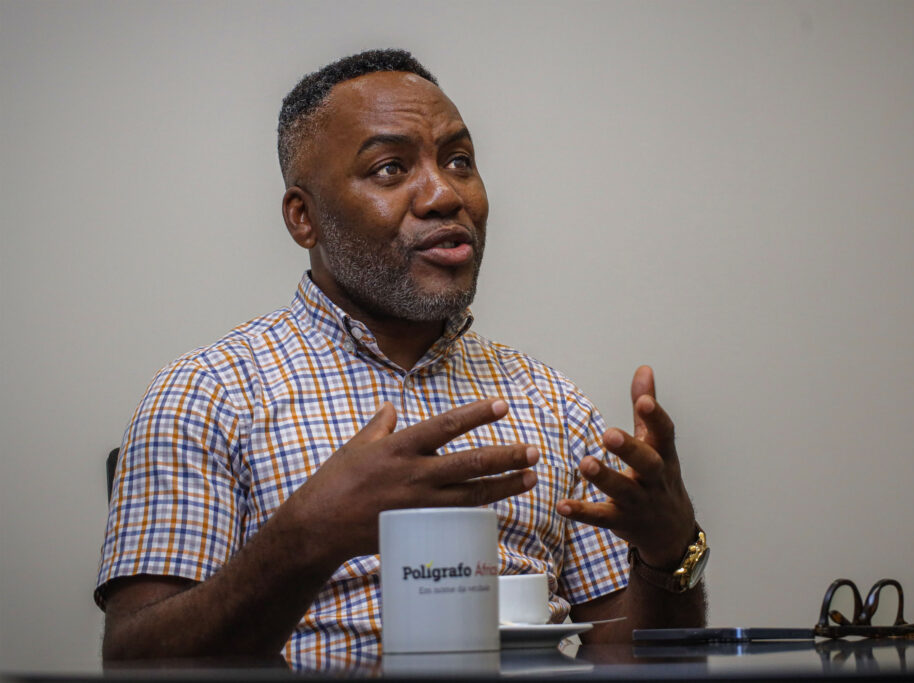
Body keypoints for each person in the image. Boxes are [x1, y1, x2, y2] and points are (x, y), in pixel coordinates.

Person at [96, 49, 707, 668]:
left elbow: (631, 665)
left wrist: (669, 552)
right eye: (389, 168)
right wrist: (310, 536)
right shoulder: (208, 393)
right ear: (304, 218)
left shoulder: (553, 403)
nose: (444, 194)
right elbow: (136, 664)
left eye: (459, 161)